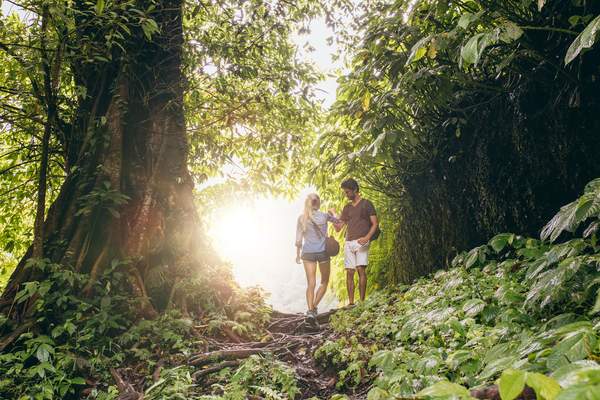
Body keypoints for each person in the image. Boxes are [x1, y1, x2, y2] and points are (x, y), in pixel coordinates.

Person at [332, 178, 378, 305]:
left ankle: (362, 302)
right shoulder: (347, 208)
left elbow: (375, 223)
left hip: (362, 241)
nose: (346, 195)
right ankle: (351, 303)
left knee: (360, 270)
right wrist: (334, 215)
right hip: (348, 242)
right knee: (349, 272)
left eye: (347, 192)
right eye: (345, 192)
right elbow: (339, 227)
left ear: (355, 190)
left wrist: (367, 237)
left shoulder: (367, 204)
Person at [295, 193, 338, 325]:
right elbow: (338, 224)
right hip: (322, 253)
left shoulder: (302, 218)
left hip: (307, 253)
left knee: (311, 284)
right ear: (317, 203)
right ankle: (313, 308)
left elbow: (298, 240)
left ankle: (310, 311)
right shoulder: (325, 216)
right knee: (324, 282)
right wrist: (334, 213)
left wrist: (297, 255)